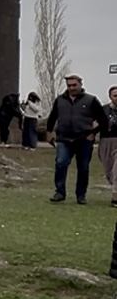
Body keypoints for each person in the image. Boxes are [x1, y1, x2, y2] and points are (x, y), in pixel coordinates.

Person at [47, 74, 104, 203]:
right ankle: (59, 192)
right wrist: (49, 132)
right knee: (61, 163)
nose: (72, 88)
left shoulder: (91, 100)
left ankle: (81, 195)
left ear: (80, 85)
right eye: (69, 86)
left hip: (83, 139)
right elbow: (52, 117)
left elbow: (102, 119)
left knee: (83, 167)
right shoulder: (60, 100)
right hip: (64, 139)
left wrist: (93, 133)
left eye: (74, 85)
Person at [98, 88, 117, 207]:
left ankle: (115, 197)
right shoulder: (103, 110)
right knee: (109, 171)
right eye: (115, 95)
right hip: (106, 141)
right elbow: (95, 124)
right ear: (110, 97)